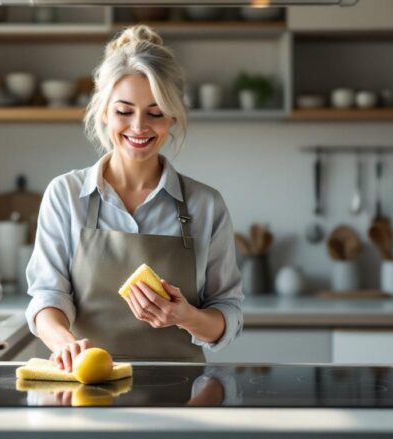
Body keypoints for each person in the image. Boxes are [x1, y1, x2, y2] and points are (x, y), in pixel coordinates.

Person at [24, 25, 243, 371]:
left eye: (155, 113)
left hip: (184, 390)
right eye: (124, 111)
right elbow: (48, 296)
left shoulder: (206, 205)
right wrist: (65, 344)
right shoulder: (65, 195)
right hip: (89, 384)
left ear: (173, 117)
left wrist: (186, 316)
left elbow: (227, 312)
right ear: (103, 111)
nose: (139, 127)